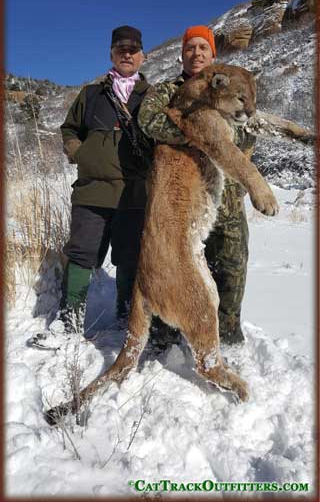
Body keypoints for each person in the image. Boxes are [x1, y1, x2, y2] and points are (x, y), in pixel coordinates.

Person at [138, 25, 256, 344]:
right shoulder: (167, 90)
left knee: (231, 266)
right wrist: (200, 137)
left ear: (213, 55)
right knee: (175, 264)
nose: (197, 53)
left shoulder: (232, 88)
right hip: (184, 196)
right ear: (182, 54)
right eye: (191, 48)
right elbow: (148, 121)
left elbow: (247, 132)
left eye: (204, 48)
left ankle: (227, 334)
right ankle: (168, 336)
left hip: (227, 197)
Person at [58, 25, 153, 334]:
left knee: (130, 258)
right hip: (91, 192)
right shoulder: (91, 94)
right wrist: (78, 152)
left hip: (134, 193)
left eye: (133, 50)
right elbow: (70, 129)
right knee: (81, 254)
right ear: (111, 54)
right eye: (120, 49)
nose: (127, 54)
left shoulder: (152, 97)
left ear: (143, 56)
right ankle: (69, 322)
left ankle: (126, 318)